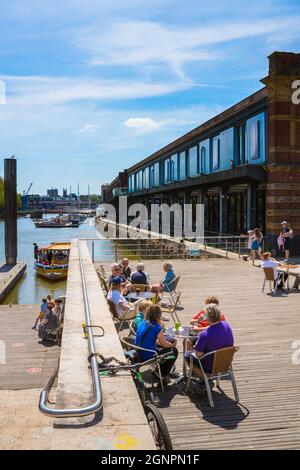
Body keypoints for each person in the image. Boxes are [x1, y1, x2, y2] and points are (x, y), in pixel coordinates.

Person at [185, 303, 234, 377]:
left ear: (207, 318)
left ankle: (205, 381)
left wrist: (194, 349)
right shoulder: (226, 325)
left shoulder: (205, 335)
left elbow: (198, 355)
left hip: (211, 366)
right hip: (225, 362)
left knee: (188, 356)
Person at [135, 305, 178, 379]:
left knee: (163, 346)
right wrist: (172, 345)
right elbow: (165, 344)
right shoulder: (156, 327)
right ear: (159, 315)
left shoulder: (143, 322)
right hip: (148, 354)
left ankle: (157, 369)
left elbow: (149, 338)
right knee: (174, 351)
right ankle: (161, 374)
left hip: (139, 351)